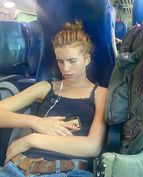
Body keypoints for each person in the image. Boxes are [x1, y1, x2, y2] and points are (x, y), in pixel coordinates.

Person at [0, 20, 107, 177]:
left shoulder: (101, 93)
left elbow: (93, 146)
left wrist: (31, 139)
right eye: (60, 61)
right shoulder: (45, 87)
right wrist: (36, 122)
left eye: (72, 61)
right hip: (20, 168)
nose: (65, 68)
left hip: (70, 171)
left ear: (87, 59)